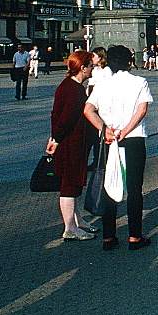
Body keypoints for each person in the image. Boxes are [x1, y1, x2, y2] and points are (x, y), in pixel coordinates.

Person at [84, 45, 153, 251]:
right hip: (133, 139)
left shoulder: (103, 84)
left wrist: (105, 129)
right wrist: (126, 129)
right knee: (134, 188)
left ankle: (109, 236)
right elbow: (142, 110)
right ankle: (134, 236)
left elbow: (88, 109)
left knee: (109, 184)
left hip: (107, 140)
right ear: (129, 62)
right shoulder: (139, 82)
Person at [45, 50, 102, 241]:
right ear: (82, 68)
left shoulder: (69, 86)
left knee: (74, 183)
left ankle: (78, 221)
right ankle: (69, 227)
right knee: (70, 184)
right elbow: (66, 119)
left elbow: (56, 115)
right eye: (90, 66)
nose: (93, 70)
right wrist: (57, 140)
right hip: (71, 143)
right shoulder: (74, 90)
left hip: (70, 141)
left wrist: (54, 138)